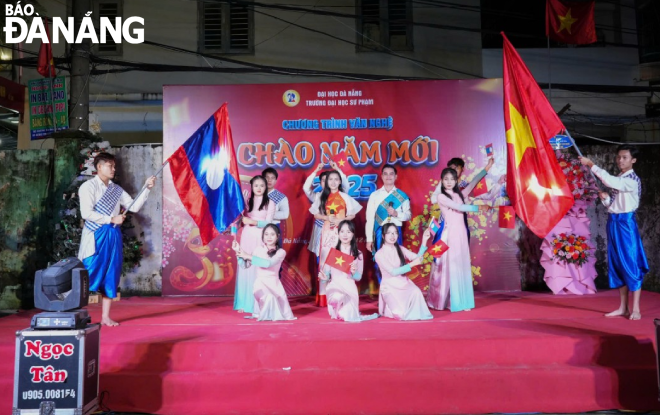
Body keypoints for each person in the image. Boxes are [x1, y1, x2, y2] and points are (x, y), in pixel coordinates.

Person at [78, 152, 156, 326]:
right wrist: (111, 219)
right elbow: (86, 213)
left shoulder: (116, 189)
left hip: (113, 234)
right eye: (110, 165)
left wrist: (147, 188)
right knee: (88, 271)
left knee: (111, 272)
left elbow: (133, 206)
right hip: (95, 233)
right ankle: (75, 315)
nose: (113, 169)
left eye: (114, 166)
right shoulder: (88, 187)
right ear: (99, 167)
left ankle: (105, 317)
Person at [579, 145, 648, 320]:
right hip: (614, 223)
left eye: (625, 157)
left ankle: (636, 308)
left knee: (631, 264)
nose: (620, 160)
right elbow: (613, 206)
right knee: (617, 264)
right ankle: (623, 307)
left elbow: (610, 182)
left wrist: (591, 165)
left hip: (625, 224)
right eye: (619, 157)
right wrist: (606, 198)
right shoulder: (620, 178)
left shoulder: (631, 179)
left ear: (633, 160)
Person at [427, 168, 490, 312]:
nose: (449, 182)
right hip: (449, 235)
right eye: (446, 179)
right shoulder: (441, 197)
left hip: (461, 234)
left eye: (452, 179)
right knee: (448, 268)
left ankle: (462, 301)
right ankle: (446, 301)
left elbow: (472, 184)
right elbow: (459, 207)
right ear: (442, 181)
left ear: (456, 181)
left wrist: (485, 170)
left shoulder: (458, 194)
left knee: (461, 266)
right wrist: (478, 207)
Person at [309, 170, 362, 306]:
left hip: (342, 230)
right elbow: (315, 214)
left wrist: (341, 221)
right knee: (325, 260)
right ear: (327, 182)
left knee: (341, 258)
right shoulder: (322, 196)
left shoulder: (344, 196)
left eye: (336, 179)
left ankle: (342, 292)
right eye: (330, 179)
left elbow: (352, 215)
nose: (333, 182)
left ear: (340, 181)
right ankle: (323, 297)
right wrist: (327, 217)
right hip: (327, 231)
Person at [233, 224, 296, 321]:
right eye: (266, 234)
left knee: (278, 307)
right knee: (268, 297)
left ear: (278, 236)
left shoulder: (281, 252)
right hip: (260, 284)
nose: (269, 237)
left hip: (275, 285)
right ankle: (263, 313)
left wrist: (246, 255)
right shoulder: (258, 250)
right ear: (262, 236)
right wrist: (238, 251)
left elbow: (268, 263)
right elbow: (244, 265)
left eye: (272, 234)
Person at [319, 220, 378, 322]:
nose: (345, 235)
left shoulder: (358, 254)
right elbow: (327, 275)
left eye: (348, 232)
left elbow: (358, 278)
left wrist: (353, 272)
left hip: (349, 290)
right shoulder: (333, 252)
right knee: (337, 298)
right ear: (338, 233)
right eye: (342, 231)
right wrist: (324, 279)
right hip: (335, 288)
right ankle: (335, 306)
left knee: (347, 317)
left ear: (353, 234)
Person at [374, 223, 433, 321]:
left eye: (395, 233)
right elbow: (393, 272)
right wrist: (412, 264)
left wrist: (424, 241)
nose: (393, 236)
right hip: (389, 287)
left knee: (416, 292)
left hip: (403, 283)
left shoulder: (400, 249)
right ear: (383, 236)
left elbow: (417, 258)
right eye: (389, 233)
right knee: (401, 315)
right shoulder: (379, 254)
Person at [234, 176, 275, 314]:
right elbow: (239, 219)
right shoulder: (246, 201)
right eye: (256, 185)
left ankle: (257, 302)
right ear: (251, 187)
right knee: (245, 266)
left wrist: (254, 222)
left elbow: (269, 223)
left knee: (257, 267)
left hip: (261, 236)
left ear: (266, 187)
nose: (258, 188)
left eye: (262, 185)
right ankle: (243, 303)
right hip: (247, 236)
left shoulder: (270, 202)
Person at [303, 161, 350, 258]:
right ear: (320, 183)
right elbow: (306, 188)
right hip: (321, 230)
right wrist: (316, 171)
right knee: (322, 259)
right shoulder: (317, 197)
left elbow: (346, 185)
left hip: (338, 229)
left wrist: (337, 169)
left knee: (339, 258)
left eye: (328, 179)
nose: (327, 182)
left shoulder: (341, 194)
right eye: (323, 180)